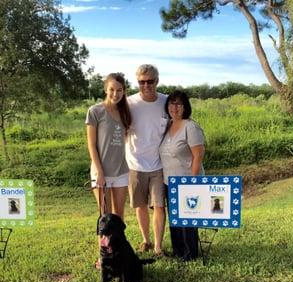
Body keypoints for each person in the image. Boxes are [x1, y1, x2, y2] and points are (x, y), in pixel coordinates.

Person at [85, 73, 131, 267]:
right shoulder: (95, 111)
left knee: (118, 218)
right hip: (101, 173)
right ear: (106, 89)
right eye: (112, 89)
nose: (115, 93)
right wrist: (99, 172)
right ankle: (103, 257)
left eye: (119, 90)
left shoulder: (125, 112)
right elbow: (91, 144)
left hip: (121, 171)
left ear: (124, 91)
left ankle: (118, 255)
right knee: (105, 219)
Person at [126, 64, 168, 256]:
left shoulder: (166, 102)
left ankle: (158, 246)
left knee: (159, 205)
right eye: (141, 82)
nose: (146, 85)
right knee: (140, 205)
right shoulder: (128, 103)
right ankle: (146, 240)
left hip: (159, 165)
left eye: (150, 81)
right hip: (135, 164)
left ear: (157, 81)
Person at [159, 90, 205, 261]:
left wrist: (192, 182)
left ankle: (190, 253)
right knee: (175, 219)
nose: (174, 107)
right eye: (171, 103)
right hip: (169, 182)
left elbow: (198, 156)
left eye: (178, 103)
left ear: (185, 106)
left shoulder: (190, 127)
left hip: (187, 181)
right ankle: (178, 250)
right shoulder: (168, 125)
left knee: (188, 219)